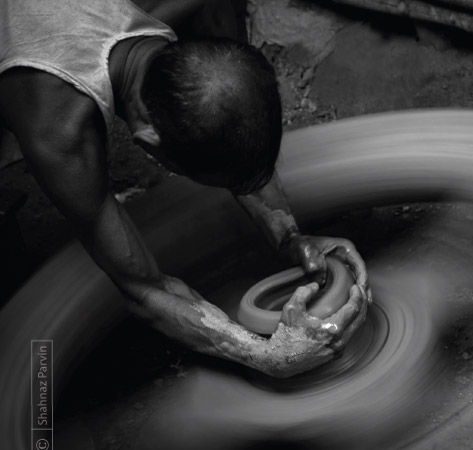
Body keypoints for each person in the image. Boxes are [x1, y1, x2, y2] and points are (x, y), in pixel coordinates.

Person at [0, 0, 370, 378]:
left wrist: (290, 235)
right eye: (223, 184)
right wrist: (265, 355)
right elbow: (143, 289)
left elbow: (235, 144)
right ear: (148, 145)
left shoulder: (186, 40)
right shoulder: (60, 128)